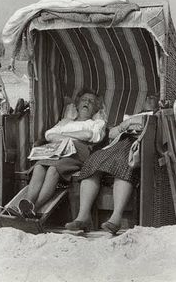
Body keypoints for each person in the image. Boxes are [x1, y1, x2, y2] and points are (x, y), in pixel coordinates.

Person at [65, 95, 159, 234]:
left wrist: (133, 123)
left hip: (136, 147)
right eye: (147, 97)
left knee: (124, 163)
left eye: (154, 97)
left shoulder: (159, 116)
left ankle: (115, 219)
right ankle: (83, 216)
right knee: (93, 161)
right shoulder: (131, 116)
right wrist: (125, 124)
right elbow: (112, 134)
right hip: (116, 146)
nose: (150, 98)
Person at [17, 90, 107, 217]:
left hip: (77, 151)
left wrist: (63, 136)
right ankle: (28, 202)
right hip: (57, 150)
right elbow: (48, 135)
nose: (87, 102)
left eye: (91, 101)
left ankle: (35, 208)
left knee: (53, 169)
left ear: (95, 109)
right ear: (77, 105)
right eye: (84, 100)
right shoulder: (65, 121)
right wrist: (69, 137)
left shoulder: (96, 123)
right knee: (39, 166)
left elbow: (89, 135)